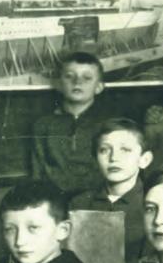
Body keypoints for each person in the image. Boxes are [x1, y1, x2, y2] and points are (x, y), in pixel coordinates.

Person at [70, 118, 153, 263]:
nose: (114, 158)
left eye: (125, 150)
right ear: (95, 159)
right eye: (104, 150)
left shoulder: (152, 204)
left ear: (144, 160)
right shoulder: (79, 204)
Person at [31, 51, 112, 196]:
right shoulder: (43, 125)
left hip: (97, 199)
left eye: (87, 78)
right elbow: (37, 171)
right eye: (69, 76)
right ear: (58, 84)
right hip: (54, 198)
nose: (77, 82)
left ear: (99, 87)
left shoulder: (109, 124)